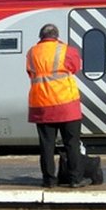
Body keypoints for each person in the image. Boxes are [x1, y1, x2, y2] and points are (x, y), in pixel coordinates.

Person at [26, 23, 91, 188]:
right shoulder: (67, 50)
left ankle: (48, 180)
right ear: (56, 36)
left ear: (41, 37)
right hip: (66, 104)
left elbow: (30, 73)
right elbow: (75, 67)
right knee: (72, 143)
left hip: (41, 105)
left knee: (46, 145)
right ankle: (75, 179)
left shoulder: (32, 52)